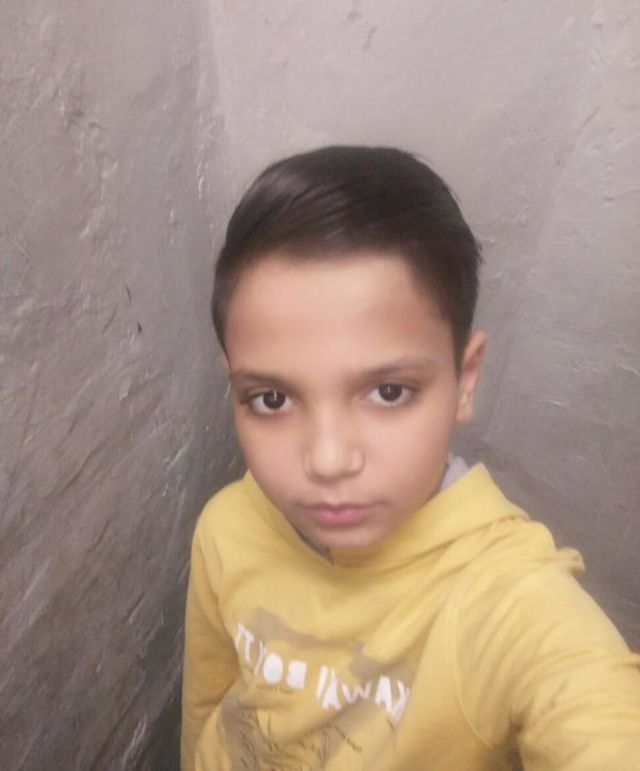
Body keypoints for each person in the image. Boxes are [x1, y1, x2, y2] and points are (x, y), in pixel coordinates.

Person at [181, 146, 640, 771]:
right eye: (272, 398)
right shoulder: (227, 526)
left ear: (465, 380)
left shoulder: (509, 604)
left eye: (389, 392)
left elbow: (594, 710)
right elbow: (206, 709)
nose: (329, 460)